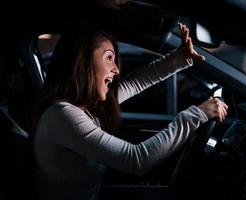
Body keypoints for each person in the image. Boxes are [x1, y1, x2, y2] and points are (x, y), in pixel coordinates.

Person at [32, 23, 228, 200]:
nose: (116, 69)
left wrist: (180, 58)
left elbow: (135, 83)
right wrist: (196, 114)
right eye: (109, 58)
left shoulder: (84, 106)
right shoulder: (62, 115)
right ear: (82, 62)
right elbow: (136, 159)